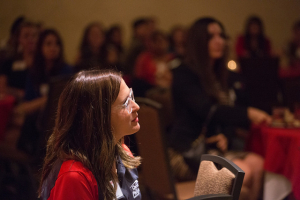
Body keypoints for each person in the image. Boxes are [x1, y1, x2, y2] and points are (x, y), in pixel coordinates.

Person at [170, 17, 272, 200]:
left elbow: (224, 115)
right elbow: (207, 110)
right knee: (244, 171)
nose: (219, 41)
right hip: (187, 151)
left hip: (210, 148)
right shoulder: (184, 73)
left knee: (258, 164)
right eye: (211, 37)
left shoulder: (221, 75)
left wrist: (225, 135)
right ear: (199, 42)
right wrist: (247, 113)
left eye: (221, 36)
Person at [38, 70, 141, 200]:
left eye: (131, 96)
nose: (136, 106)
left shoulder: (124, 154)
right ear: (99, 117)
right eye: (125, 103)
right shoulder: (74, 177)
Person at [0, 21, 39, 100]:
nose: (30, 39)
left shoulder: (44, 61)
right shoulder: (10, 62)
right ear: (19, 39)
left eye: (34, 35)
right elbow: (2, 87)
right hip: (15, 103)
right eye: (26, 36)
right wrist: (19, 93)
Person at [133, 30, 173, 96]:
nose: (159, 44)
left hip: (171, 90)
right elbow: (139, 78)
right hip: (150, 91)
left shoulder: (173, 58)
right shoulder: (144, 58)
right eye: (155, 41)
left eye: (161, 41)